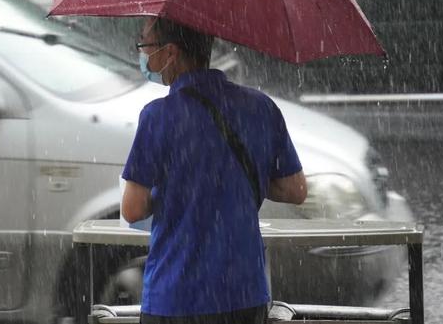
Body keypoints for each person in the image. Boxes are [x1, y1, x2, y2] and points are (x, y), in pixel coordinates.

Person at [121, 17, 307, 324]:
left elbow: (132, 208)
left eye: (145, 45)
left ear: (170, 52)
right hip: (244, 292)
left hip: (177, 293)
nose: (142, 53)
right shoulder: (260, 107)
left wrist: (179, 185)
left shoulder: (158, 117)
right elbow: (296, 190)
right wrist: (229, 180)